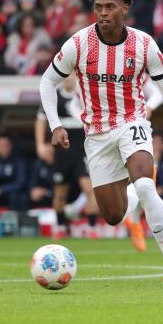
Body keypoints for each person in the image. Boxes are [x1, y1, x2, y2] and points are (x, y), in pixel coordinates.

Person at [40, 0, 163, 282]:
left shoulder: (143, 44)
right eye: (98, 7)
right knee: (112, 216)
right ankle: (133, 208)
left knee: (146, 184)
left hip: (132, 122)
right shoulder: (78, 44)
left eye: (110, 7)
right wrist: (55, 126)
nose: (103, 12)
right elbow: (47, 82)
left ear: (125, 9)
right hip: (96, 134)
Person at [35, 75, 100, 237]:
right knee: (60, 191)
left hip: (82, 150)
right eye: (65, 74)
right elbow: (40, 120)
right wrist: (40, 145)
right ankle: (62, 227)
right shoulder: (54, 96)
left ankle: (92, 228)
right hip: (62, 152)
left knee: (89, 189)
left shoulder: (84, 95)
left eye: (71, 74)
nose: (68, 78)